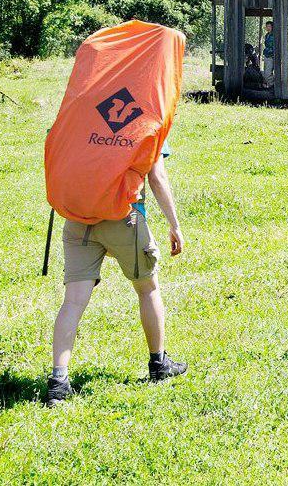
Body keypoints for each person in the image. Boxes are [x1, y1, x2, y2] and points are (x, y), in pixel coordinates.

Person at [47, 146, 187, 407]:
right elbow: (157, 177)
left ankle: (58, 383)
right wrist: (174, 225)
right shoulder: (148, 117)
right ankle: (159, 363)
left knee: (73, 302)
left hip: (79, 218)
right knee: (148, 289)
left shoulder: (84, 115)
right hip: (125, 218)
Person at [262, 21, 275, 86]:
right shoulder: (267, 35)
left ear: (272, 27)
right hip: (266, 55)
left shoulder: (274, 35)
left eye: (269, 26)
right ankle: (268, 86)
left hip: (271, 55)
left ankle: (271, 86)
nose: (268, 28)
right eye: (267, 26)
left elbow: (275, 46)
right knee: (265, 72)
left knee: (268, 73)